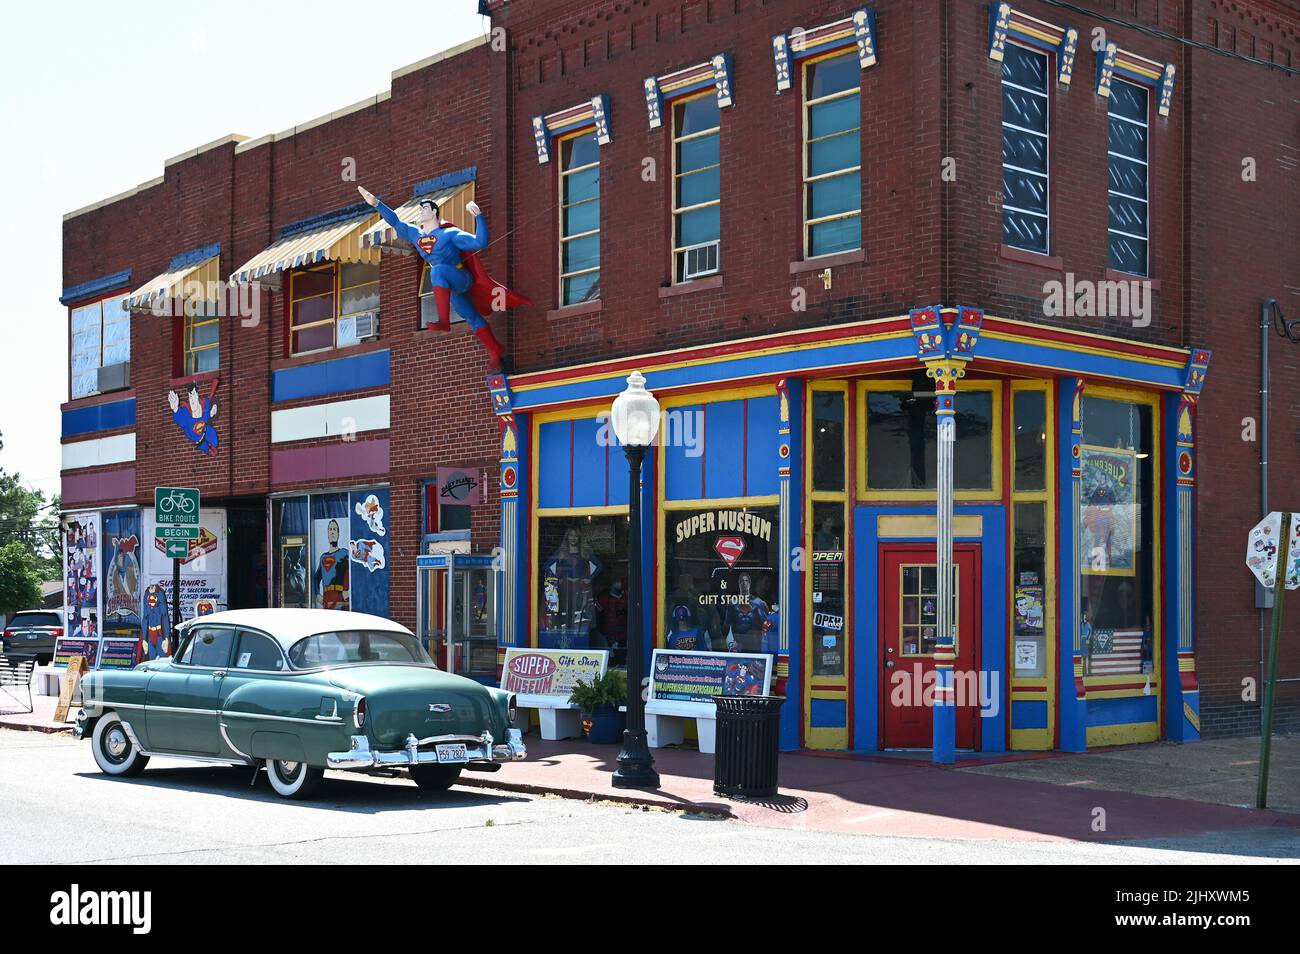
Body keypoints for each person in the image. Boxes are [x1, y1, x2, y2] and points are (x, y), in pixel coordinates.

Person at [357, 186, 529, 370]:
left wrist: (478, 216)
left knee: (436, 271)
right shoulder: (416, 234)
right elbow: (396, 222)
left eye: (425, 208)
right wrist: (377, 204)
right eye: (420, 208)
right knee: (470, 317)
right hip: (450, 287)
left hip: (461, 277)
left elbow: (480, 242)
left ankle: (444, 321)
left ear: (435, 213)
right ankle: (494, 349)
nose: (421, 211)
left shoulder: (449, 234)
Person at [724, 571, 771, 653]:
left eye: (746, 581)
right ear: (739, 584)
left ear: (749, 583)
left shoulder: (759, 603)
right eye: (741, 581)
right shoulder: (733, 603)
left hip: (755, 644)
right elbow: (726, 626)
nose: (744, 583)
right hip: (739, 644)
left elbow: (767, 627)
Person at [314, 519, 350, 610]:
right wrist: (317, 593)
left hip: (340, 598)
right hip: (327, 599)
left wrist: (348, 590)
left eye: (335, 529)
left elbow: (355, 571)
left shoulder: (344, 553)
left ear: (338, 533)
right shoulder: (323, 557)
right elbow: (316, 578)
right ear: (327, 534)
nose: (332, 532)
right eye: (330, 529)